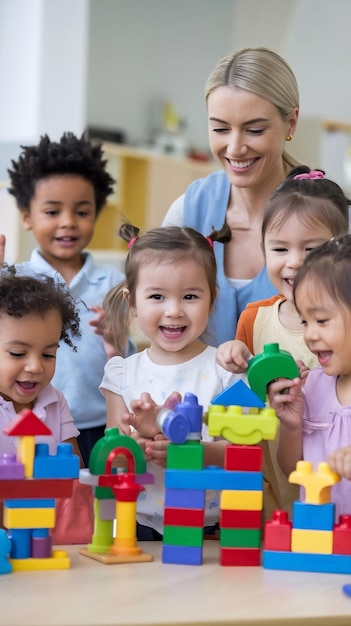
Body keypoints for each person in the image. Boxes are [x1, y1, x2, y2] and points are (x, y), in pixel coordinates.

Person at [215, 166, 350, 520]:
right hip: (278, 491)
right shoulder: (255, 319)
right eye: (279, 248)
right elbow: (243, 395)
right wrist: (232, 354)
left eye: (311, 248)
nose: (295, 262)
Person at [99, 224, 243, 539]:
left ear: (212, 298)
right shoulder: (122, 374)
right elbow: (112, 454)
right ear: (133, 302)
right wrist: (137, 446)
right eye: (157, 296)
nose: (174, 310)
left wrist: (199, 452)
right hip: (137, 529)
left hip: (213, 531)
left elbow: (247, 449)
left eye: (190, 296)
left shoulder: (226, 370)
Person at [7, 133, 133, 466]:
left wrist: (118, 343)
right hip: (33, 424)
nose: (67, 222)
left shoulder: (113, 283)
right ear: (26, 216)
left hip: (100, 425)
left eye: (81, 211)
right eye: (52, 211)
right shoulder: (13, 282)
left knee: (96, 509)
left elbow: (130, 363)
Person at [162, 46, 301, 347]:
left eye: (254, 130)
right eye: (220, 129)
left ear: (291, 122)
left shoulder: (331, 218)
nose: (235, 148)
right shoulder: (188, 212)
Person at [268, 234, 351, 521]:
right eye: (305, 321)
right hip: (316, 540)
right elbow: (294, 470)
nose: (310, 335)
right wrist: (291, 427)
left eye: (322, 320)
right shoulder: (312, 386)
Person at [0, 270, 81, 459]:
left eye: (48, 354)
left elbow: (74, 473)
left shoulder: (55, 401)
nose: (36, 367)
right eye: (18, 354)